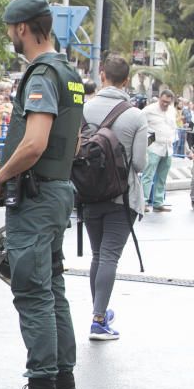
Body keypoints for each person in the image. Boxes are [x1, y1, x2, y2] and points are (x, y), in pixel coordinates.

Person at [0, 0, 85, 389]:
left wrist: (2, 175)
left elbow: (35, 141)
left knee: (33, 296)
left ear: (23, 29)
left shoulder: (42, 73)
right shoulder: (70, 71)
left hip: (37, 195)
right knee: (53, 290)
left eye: (11, 29)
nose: (10, 36)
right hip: (58, 190)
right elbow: (75, 142)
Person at [81, 55, 147, 341]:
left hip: (89, 193)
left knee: (98, 255)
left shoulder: (84, 109)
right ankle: (98, 320)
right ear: (127, 80)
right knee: (109, 256)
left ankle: (101, 311)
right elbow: (141, 164)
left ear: (101, 74)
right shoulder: (135, 115)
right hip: (122, 198)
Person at [141, 89, 176, 213]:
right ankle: (143, 202)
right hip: (154, 147)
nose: (165, 104)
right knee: (148, 175)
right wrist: (148, 141)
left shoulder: (172, 111)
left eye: (168, 102)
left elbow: (173, 127)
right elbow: (140, 125)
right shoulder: (149, 110)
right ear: (159, 98)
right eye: (163, 101)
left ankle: (158, 202)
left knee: (162, 177)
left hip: (168, 148)